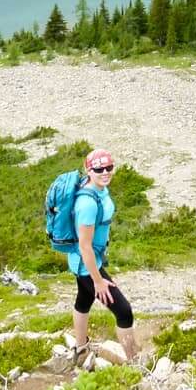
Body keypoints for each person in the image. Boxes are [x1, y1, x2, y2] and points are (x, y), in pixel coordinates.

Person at [69, 148, 139, 362]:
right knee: (124, 311)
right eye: (99, 169)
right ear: (88, 170)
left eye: (109, 167)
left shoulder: (97, 190)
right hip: (86, 264)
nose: (105, 172)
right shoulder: (88, 204)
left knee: (83, 299)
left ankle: (80, 350)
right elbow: (85, 246)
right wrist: (99, 280)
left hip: (84, 262)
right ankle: (134, 362)